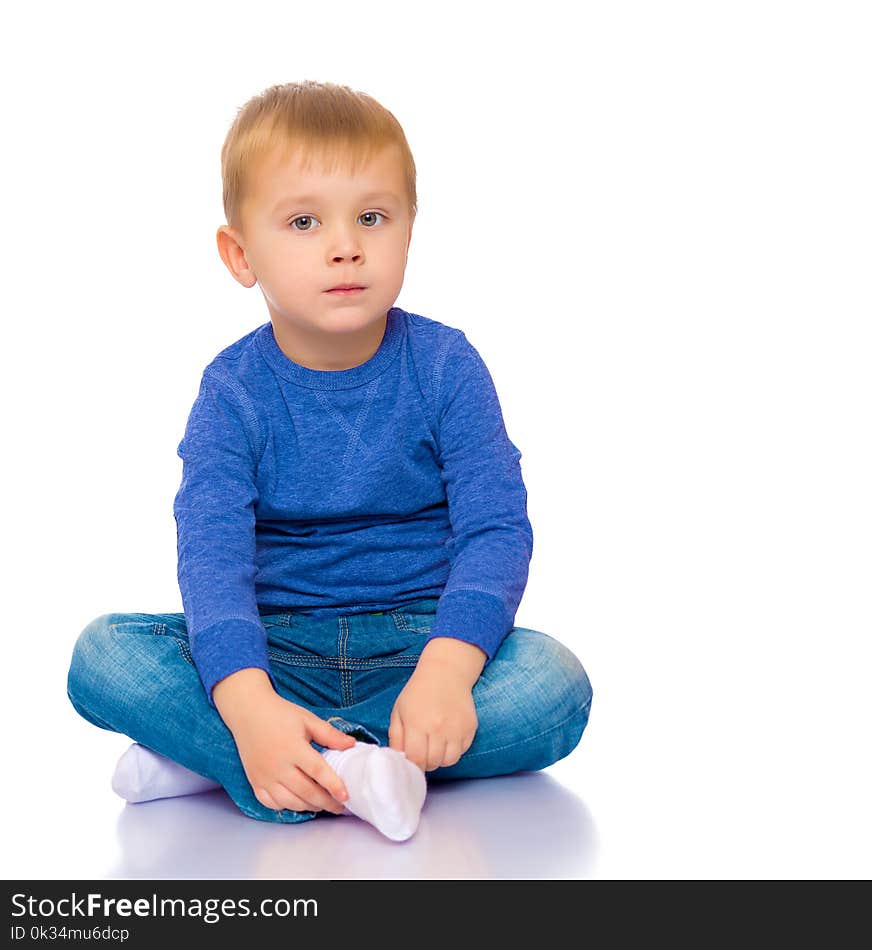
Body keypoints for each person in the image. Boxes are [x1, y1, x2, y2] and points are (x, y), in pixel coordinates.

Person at [67, 80, 593, 843]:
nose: (345, 244)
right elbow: (211, 557)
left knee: (556, 686)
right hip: (272, 650)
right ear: (240, 255)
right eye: (305, 221)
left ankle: (239, 761)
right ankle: (306, 754)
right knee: (101, 655)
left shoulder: (446, 366)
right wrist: (247, 700)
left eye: (372, 217)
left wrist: (447, 672)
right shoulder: (232, 388)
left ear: (409, 232)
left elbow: (496, 530)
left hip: (420, 645)